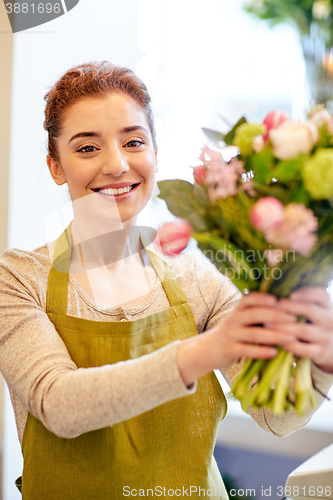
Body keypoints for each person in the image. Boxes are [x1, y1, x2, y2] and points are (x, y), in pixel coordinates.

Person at [0, 61, 333, 500]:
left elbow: (275, 417)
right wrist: (206, 350)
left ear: (155, 152)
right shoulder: (20, 278)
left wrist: (321, 366)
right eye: (86, 148)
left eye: (133, 141)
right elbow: (59, 405)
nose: (117, 165)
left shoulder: (200, 278)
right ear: (55, 166)